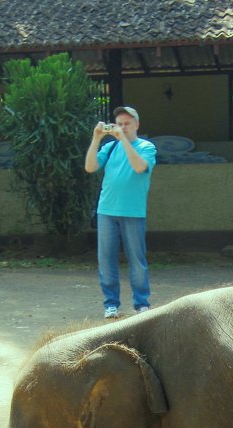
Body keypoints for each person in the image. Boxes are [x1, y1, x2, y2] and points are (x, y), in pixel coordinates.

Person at [84, 105, 157, 318]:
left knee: (136, 259)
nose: (123, 127)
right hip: (106, 211)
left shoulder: (147, 147)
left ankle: (141, 304)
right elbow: (90, 167)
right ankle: (111, 304)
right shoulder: (110, 148)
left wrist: (123, 140)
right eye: (120, 124)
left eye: (127, 123)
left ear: (137, 124)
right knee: (106, 259)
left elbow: (139, 167)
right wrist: (96, 139)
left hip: (133, 212)